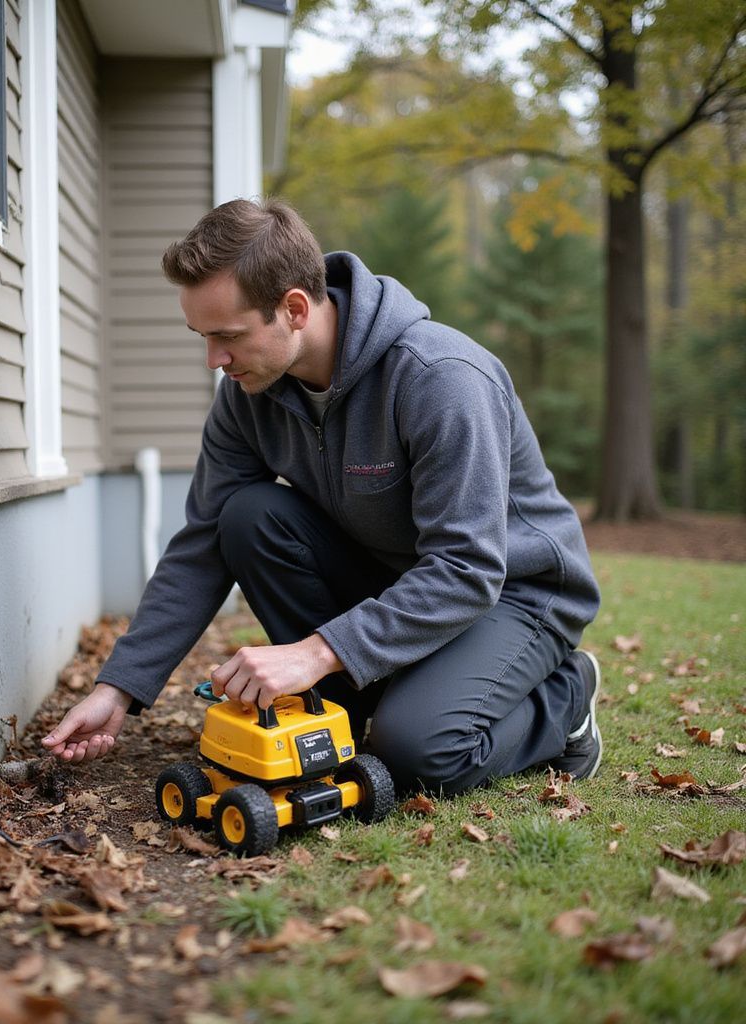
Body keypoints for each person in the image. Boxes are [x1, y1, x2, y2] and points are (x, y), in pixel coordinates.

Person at [42, 198, 602, 795]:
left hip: (510, 592)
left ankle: (566, 697)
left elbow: (468, 568)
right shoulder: (246, 393)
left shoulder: (441, 379)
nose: (214, 360)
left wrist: (316, 652)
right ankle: (368, 697)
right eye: (202, 337)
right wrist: (119, 687)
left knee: (413, 754)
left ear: (295, 308)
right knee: (247, 516)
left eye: (227, 336)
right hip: (396, 580)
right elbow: (203, 543)